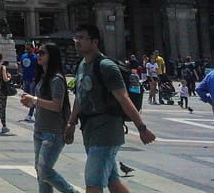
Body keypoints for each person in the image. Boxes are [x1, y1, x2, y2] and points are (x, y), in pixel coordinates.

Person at [64, 24, 156, 193]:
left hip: (106, 130)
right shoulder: (82, 66)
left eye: (82, 38)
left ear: (95, 42)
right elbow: (80, 96)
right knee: (113, 181)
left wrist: (141, 127)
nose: (77, 41)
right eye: (75, 37)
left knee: (93, 183)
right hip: (90, 130)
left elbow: (123, 98)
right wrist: (71, 122)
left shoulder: (106, 66)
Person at [20, 43, 76, 193]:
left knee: (44, 170)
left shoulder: (56, 79)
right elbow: (43, 102)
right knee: (40, 172)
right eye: (38, 52)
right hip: (40, 129)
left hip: (53, 132)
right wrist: (31, 101)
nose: (38, 55)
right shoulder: (44, 77)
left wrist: (35, 100)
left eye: (42, 53)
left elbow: (57, 105)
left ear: (51, 56)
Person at [21, 43, 38, 122]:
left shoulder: (35, 57)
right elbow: (21, 66)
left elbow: (38, 68)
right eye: (26, 49)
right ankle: (34, 112)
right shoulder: (23, 56)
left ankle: (30, 114)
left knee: (32, 97)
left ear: (32, 48)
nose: (27, 50)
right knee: (26, 97)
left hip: (32, 79)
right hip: (25, 79)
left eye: (28, 49)